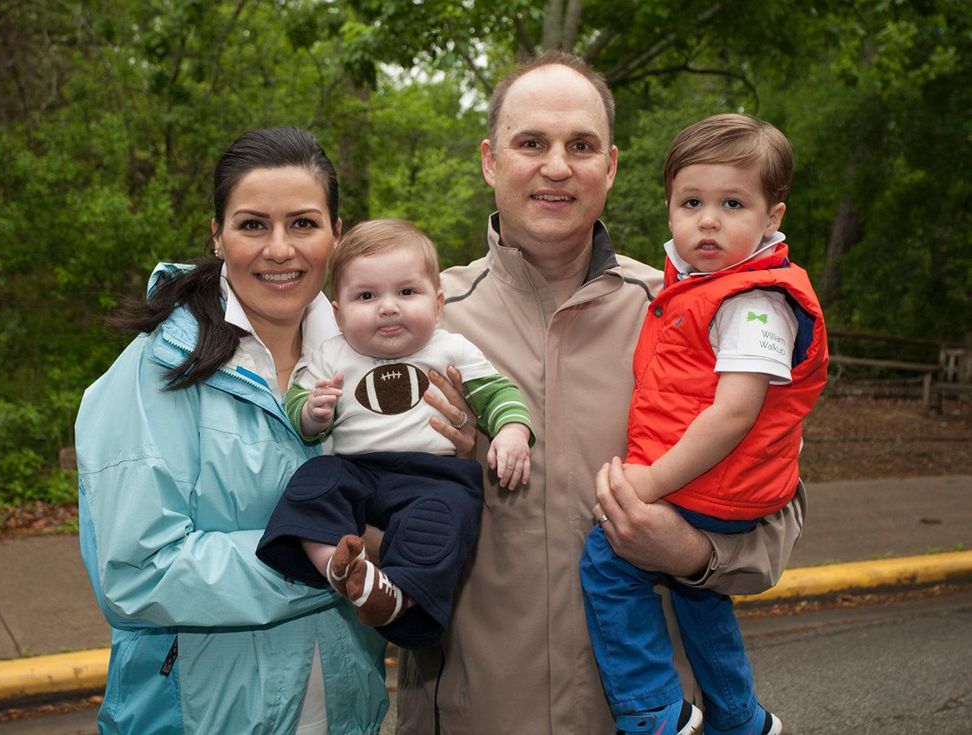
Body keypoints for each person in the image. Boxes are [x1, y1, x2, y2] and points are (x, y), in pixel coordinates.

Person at [396, 52, 808, 735]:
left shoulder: (690, 314)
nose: (557, 166)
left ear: (610, 168)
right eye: (531, 143)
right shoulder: (420, 323)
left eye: (580, 146)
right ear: (490, 161)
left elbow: (778, 514)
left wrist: (691, 553)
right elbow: (368, 514)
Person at [75, 128, 473, 734]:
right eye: (253, 224)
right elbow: (137, 571)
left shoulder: (371, 356)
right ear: (217, 235)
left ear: (337, 234)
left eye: (304, 224)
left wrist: (452, 457)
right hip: (199, 718)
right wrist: (336, 563)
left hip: (346, 712)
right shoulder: (155, 371)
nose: (280, 249)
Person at [580, 114, 828, 735]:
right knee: (699, 598)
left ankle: (650, 709)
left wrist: (650, 484)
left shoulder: (755, 301)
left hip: (713, 483)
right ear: (669, 208)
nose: (709, 220)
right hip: (718, 486)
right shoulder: (701, 287)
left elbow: (734, 413)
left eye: (732, 203)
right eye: (692, 201)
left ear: (772, 216)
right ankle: (739, 715)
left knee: (608, 564)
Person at [256, 218, 533, 648]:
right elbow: (299, 412)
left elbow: (496, 392)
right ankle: (336, 564)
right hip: (356, 471)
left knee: (442, 521)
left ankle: (396, 598)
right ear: (338, 313)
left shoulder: (450, 349)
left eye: (407, 292)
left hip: (433, 475)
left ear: (438, 304)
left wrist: (512, 430)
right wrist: (313, 412)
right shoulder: (331, 354)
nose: (388, 307)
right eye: (366, 296)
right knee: (312, 484)